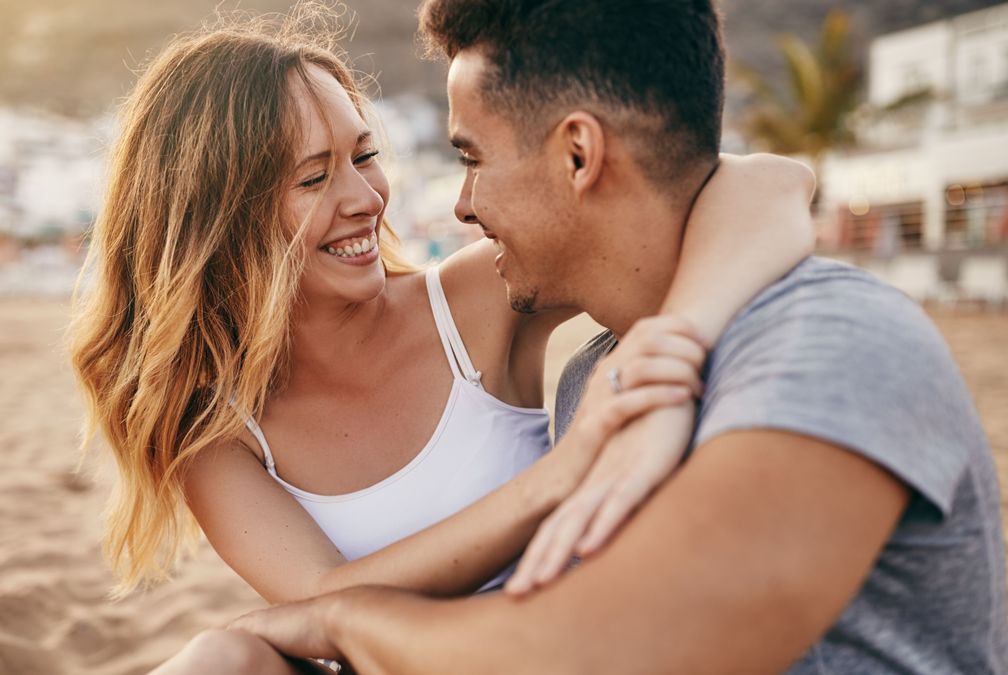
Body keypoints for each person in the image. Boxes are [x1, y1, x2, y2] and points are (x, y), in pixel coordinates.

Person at [229, 1, 1008, 673]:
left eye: (472, 158)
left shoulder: (837, 350)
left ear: (579, 152)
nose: (461, 206)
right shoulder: (595, 377)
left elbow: (585, 655)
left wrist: (340, 620)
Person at [66, 7, 816, 675]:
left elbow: (772, 182)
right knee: (220, 660)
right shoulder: (218, 433)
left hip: (560, 650)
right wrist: (564, 472)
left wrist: (676, 347)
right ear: (219, 220)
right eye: (314, 178)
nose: (364, 200)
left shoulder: (474, 301)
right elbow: (324, 604)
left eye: (363, 157)